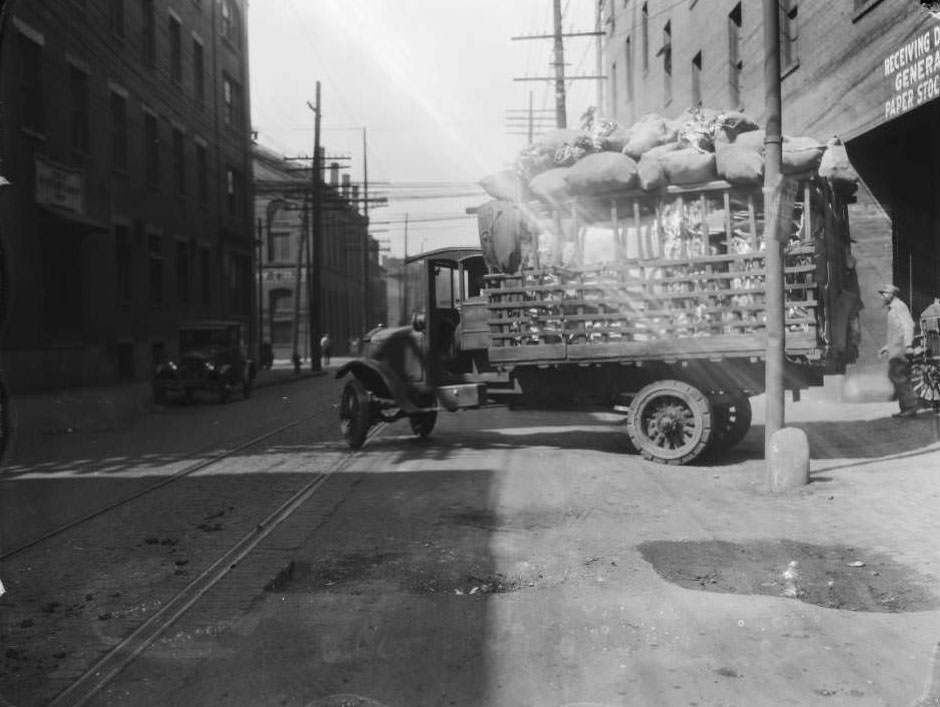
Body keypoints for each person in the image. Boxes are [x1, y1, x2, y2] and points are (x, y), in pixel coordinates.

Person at [878, 283, 918, 418]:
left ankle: (910, 407)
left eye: (884, 293)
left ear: (891, 294)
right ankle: (906, 407)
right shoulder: (892, 308)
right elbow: (895, 332)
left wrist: (908, 345)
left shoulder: (899, 306)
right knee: (897, 376)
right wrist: (886, 347)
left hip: (901, 350)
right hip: (896, 349)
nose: (882, 296)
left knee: (899, 376)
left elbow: (908, 325)